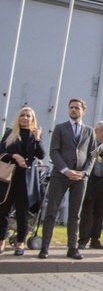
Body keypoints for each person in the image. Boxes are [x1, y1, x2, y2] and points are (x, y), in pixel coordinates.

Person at [40, 98, 97, 260]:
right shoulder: (60, 128)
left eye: (77, 108)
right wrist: (65, 170)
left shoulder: (89, 131)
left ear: (83, 111)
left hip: (80, 178)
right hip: (61, 175)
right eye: (71, 107)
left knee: (75, 214)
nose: (73, 110)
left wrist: (84, 172)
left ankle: (72, 248)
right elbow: (54, 151)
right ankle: (44, 248)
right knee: (51, 211)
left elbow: (92, 154)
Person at [0, 107, 45, 256]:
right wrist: (14, 157)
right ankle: (1, 241)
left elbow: (41, 154)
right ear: (18, 118)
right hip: (9, 178)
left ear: (32, 119)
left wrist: (38, 138)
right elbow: (1, 153)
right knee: (3, 210)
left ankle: (20, 243)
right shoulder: (10, 133)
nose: (25, 118)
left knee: (22, 213)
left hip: (26, 179)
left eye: (28, 116)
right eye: (23, 115)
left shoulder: (34, 136)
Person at [78, 121, 103, 250]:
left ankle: (95, 239)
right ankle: (83, 239)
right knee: (87, 211)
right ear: (95, 132)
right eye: (102, 130)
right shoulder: (90, 145)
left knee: (100, 213)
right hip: (92, 181)